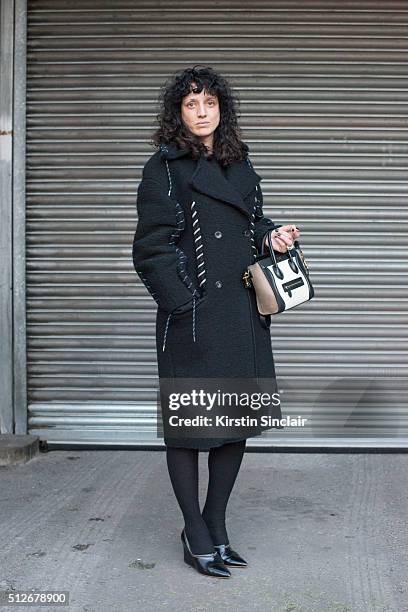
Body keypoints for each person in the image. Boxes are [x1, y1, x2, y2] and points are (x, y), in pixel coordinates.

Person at [132, 65, 301, 578]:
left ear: (221, 109)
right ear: (178, 113)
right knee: (188, 429)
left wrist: (272, 236)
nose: (201, 113)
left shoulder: (239, 160)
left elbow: (249, 223)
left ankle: (216, 525)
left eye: (209, 103)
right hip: (195, 316)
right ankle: (193, 530)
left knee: (234, 426)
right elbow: (150, 248)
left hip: (242, 315)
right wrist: (184, 304)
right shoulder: (163, 168)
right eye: (191, 105)